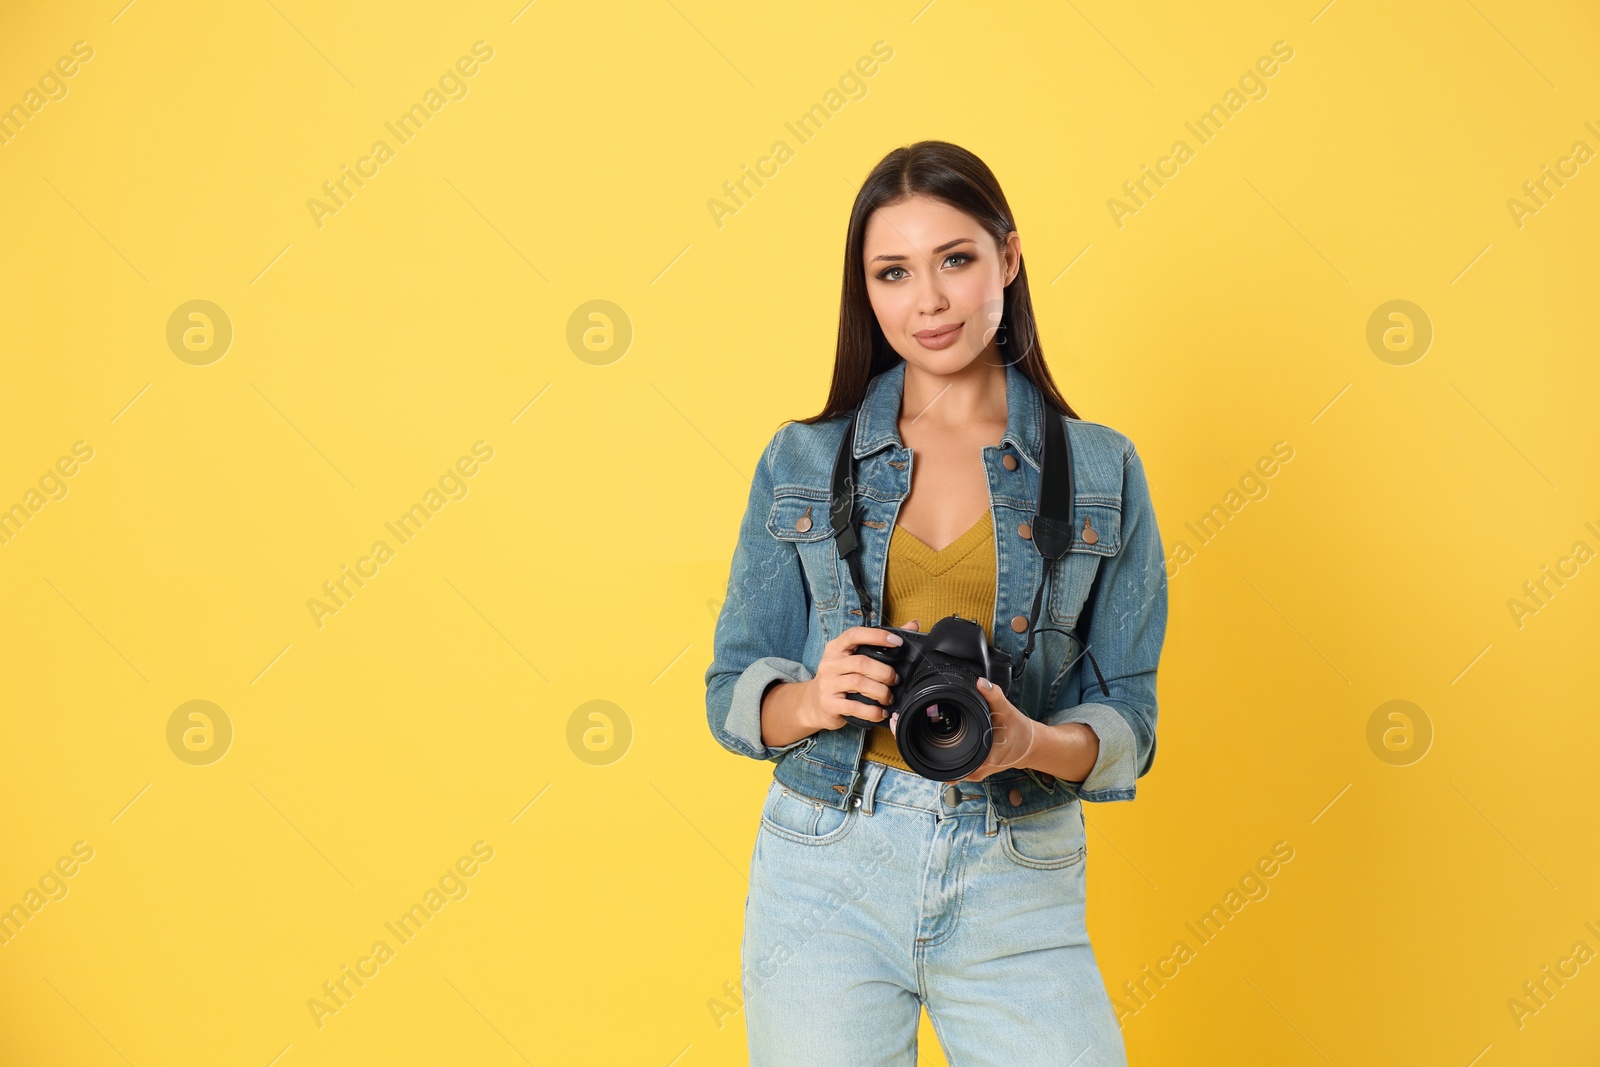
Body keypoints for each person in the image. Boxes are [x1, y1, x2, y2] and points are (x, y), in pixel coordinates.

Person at [704, 140, 1168, 1067]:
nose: (930, 301)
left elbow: (1130, 716)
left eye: (956, 259)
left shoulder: (1101, 470)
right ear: (866, 291)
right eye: (893, 272)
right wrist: (810, 698)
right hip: (824, 864)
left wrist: (1022, 740)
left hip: (1017, 864)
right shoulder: (803, 460)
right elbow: (730, 687)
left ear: (1010, 256)